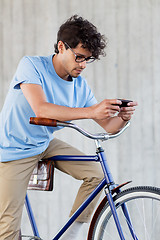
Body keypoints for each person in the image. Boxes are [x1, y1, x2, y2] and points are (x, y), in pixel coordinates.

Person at [0, 15, 137, 240]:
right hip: (14, 148)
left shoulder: (79, 86)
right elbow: (41, 109)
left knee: (97, 176)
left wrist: (123, 117)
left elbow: (109, 126)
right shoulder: (31, 65)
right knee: (7, 229)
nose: (83, 65)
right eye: (79, 57)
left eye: (87, 60)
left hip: (44, 143)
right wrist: (91, 111)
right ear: (62, 47)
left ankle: (70, 235)